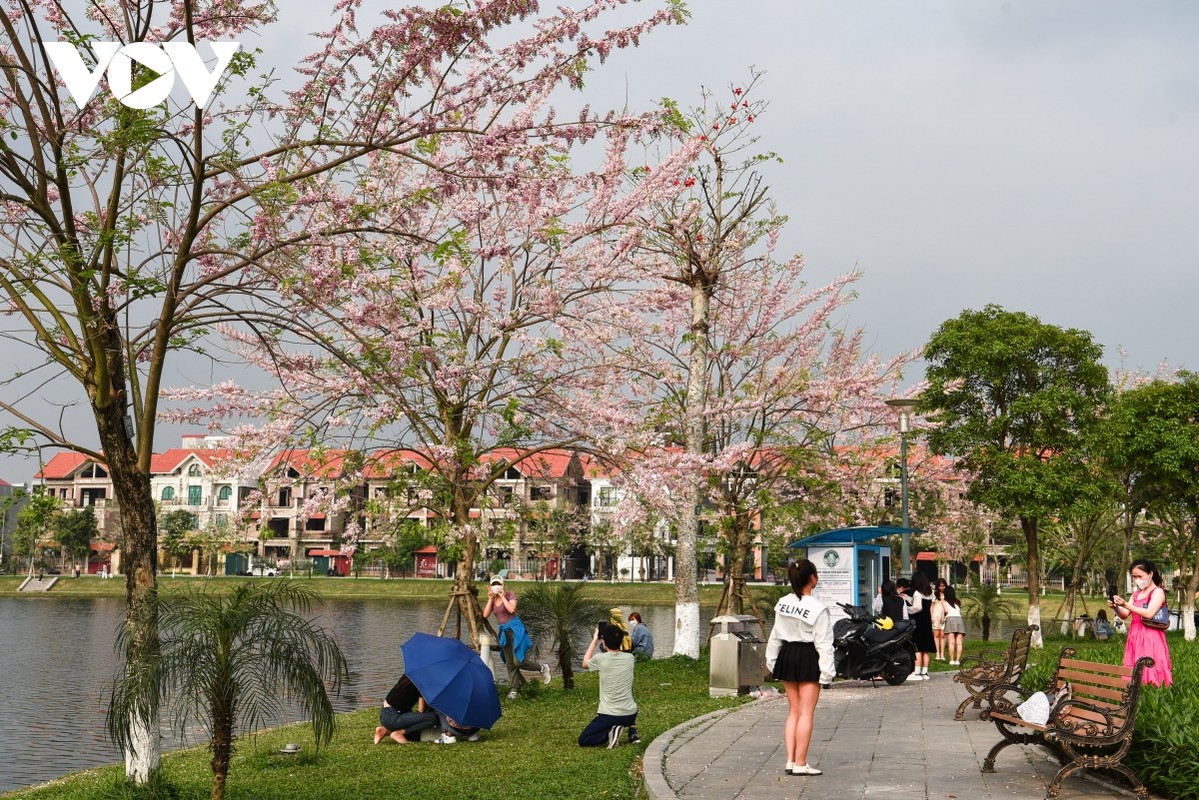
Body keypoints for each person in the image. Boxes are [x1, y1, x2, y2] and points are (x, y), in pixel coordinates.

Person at [765, 559, 834, 777]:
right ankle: (801, 763)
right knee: (806, 712)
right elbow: (824, 643)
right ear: (813, 578)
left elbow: (775, 635)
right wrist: (827, 674)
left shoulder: (782, 603)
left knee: (793, 711)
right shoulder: (818, 608)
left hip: (786, 654)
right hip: (807, 656)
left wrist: (772, 662)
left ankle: (790, 760)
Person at [482, 575, 552, 698]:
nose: (496, 586)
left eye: (498, 584)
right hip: (504, 631)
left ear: (503, 585)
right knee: (509, 662)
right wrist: (490, 598)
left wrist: (503, 596)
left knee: (518, 661)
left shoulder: (510, 594)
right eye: (493, 584)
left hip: (515, 629)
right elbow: (485, 614)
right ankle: (514, 689)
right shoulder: (492, 600)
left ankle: (542, 668)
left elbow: (511, 609)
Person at [1110, 558, 1173, 687]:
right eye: (1134, 577)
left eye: (1140, 576)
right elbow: (1124, 615)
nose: (1137, 579)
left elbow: (1149, 613)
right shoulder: (1136, 594)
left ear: (1150, 574)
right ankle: (1134, 694)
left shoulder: (1158, 592)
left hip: (1151, 637)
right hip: (1135, 636)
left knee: (1150, 665)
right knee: (1134, 667)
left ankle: (1152, 695)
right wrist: (1116, 607)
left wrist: (1126, 604)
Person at [578, 623, 640, 748]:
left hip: (610, 715)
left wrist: (595, 640)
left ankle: (612, 732)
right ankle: (632, 731)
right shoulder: (630, 658)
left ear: (604, 641)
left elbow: (584, 663)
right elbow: (618, 652)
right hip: (630, 714)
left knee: (584, 739)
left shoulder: (601, 658)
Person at [374, 674, 437, 744]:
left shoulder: (408, 676)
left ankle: (385, 730)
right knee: (432, 718)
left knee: (415, 733)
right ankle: (399, 733)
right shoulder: (422, 683)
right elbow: (421, 710)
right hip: (393, 717)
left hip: (385, 714)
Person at [903, 573, 936, 680]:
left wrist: (907, 610)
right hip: (927, 621)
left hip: (919, 621)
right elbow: (921, 603)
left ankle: (916, 672)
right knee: (925, 649)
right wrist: (907, 598)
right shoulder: (930, 593)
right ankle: (925, 672)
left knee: (917, 647)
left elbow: (917, 607)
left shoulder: (917, 592)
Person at [941, 585, 965, 665]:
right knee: (959, 642)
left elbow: (946, 610)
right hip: (959, 620)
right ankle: (957, 660)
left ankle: (951, 660)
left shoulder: (944, 601)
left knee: (951, 642)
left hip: (950, 619)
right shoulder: (958, 601)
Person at [931, 578, 948, 661]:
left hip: (944, 616)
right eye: (940, 586)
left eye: (943, 586)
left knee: (943, 635)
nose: (942, 587)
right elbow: (932, 606)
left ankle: (942, 654)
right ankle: (937, 653)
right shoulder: (934, 594)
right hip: (936, 615)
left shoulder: (947, 594)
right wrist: (931, 616)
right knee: (936, 635)